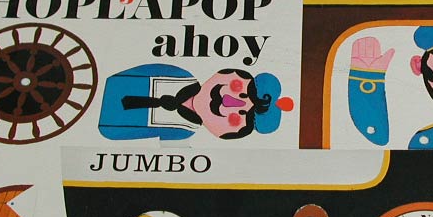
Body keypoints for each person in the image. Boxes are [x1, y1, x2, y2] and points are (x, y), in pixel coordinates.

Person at [99, 64, 291, 140]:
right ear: (227, 72)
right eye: (237, 87)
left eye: (238, 117)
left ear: (224, 135)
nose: (228, 102)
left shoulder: (182, 132)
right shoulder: (179, 74)